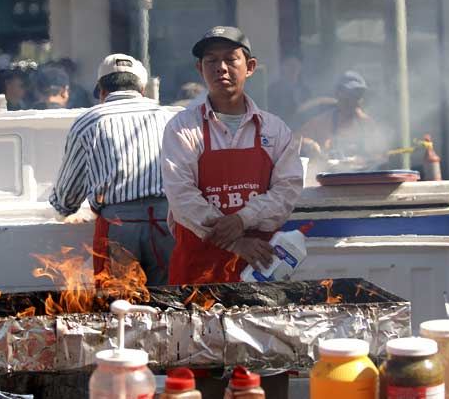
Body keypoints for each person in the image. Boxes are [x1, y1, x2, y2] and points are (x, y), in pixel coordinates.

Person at [161, 26, 303, 399]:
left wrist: (242, 218)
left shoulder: (276, 130)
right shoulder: (182, 128)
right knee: (198, 373)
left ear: (250, 66)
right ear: (199, 69)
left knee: (265, 369)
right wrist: (232, 238)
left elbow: (287, 191)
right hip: (198, 269)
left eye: (230, 59)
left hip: (260, 272)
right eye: (211, 61)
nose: (221, 68)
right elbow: (181, 196)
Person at [49, 53, 176, 286]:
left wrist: (63, 206)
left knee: (120, 309)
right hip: (167, 224)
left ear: (101, 91)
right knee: (171, 307)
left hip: (118, 229)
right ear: (142, 89)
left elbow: (67, 198)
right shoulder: (167, 117)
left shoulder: (88, 122)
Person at [297, 71, 381, 162]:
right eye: (348, 96)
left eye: (356, 96)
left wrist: (370, 158)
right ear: (338, 94)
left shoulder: (367, 124)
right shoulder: (322, 122)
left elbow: (379, 155)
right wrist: (308, 144)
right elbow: (293, 141)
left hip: (361, 175)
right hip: (330, 174)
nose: (352, 101)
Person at [267, 53, 309, 129]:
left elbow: (309, 111)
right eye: (290, 65)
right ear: (283, 67)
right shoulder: (274, 90)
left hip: (302, 131)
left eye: (296, 65)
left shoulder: (304, 90)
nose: (293, 69)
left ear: (300, 67)